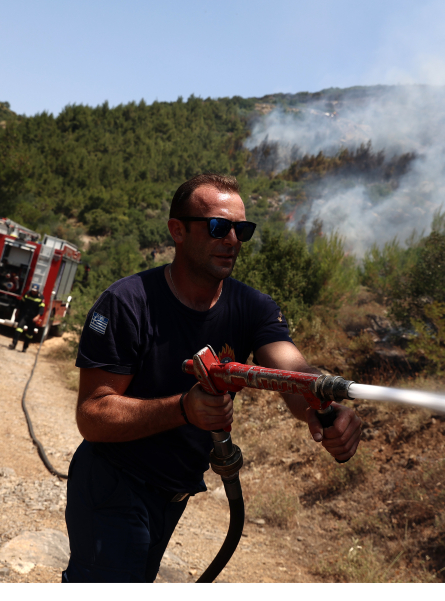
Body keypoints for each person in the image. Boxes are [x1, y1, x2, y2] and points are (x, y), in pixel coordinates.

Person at [63, 173, 362, 583]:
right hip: (113, 483)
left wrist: (320, 401)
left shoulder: (252, 307)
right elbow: (93, 415)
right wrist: (184, 409)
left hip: (172, 493)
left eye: (243, 230)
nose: (233, 240)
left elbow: (292, 370)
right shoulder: (128, 303)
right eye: (219, 227)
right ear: (178, 231)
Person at [8, 284, 45, 352]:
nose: (33, 292)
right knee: (18, 329)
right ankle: (14, 344)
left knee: (29, 334)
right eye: (33, 290)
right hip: (24, 315)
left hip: (33, 318)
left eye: (35, 291)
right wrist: (17, 311)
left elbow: (41, 308)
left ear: (38, 290)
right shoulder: (27, 294)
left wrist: (38, 316)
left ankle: (25, 347)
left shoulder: (41, 297)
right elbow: (21, 303)